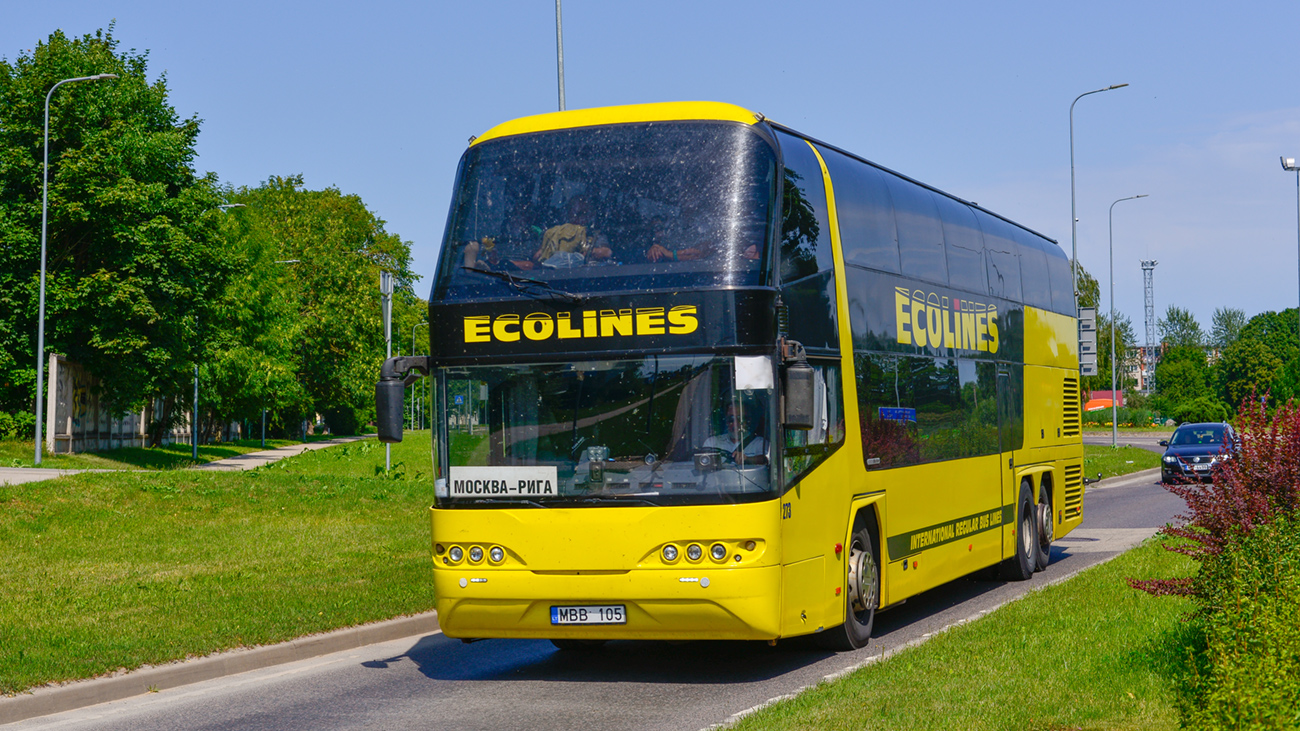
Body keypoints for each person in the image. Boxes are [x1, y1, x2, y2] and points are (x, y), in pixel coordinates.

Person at [533, 196, 612, 267]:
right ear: (569, 213)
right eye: (575, 213)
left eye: (583, 213)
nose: (578, 217)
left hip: (581, 277)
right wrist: (552, 252)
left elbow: (607, 252)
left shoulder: (594, 234)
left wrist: (585, 253)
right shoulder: (556, 233)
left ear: (590, 215)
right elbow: (537, 257)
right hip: (555, 277)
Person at [702, 403, 768, 466]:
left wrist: (747, 459)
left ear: (748, 420)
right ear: (726, 421)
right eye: (731, 419)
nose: (735, 424)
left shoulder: (760, 443)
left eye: (740, 419)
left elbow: (764, 460)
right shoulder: (712, 443)